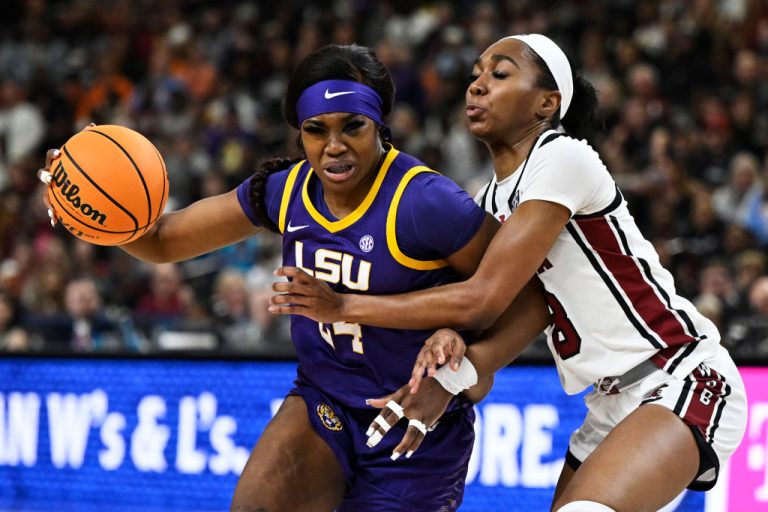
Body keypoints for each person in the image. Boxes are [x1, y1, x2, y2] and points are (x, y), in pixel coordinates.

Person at [39, 44, 534, 512]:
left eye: (353, 126)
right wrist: (87, 207)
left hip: (415, 428)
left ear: (379, 124)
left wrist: (458, 375)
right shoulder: (286, 190)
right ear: (300, 132)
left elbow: (531, 300)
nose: (334, 147)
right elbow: (163, 241)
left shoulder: (425, 201)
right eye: (316, 130)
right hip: (326, 403)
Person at [269, 35, 749, 512]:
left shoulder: (563, 157)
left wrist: (343, 306)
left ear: (547, 102)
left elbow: (482, 298)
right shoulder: (489, 203)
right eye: (475, 74)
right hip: (610, 401)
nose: (477, 86)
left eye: (499, 74)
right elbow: (525, 312)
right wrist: (451, 358)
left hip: (682, 371)